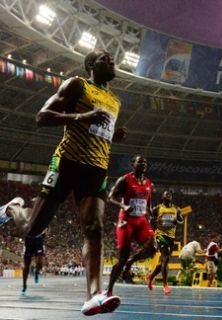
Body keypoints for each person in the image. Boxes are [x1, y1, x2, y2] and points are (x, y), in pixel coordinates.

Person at [1, 49, 126, 316]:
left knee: (95, 228)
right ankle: (12, 208)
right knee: (32, 229)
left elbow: (96, 131)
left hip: (96, 170)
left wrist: (112, 135)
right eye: (105, 58)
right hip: (67, 163)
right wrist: (80, 117)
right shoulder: (77, 85)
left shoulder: (115, 100)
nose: (112, 60)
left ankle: (93, 296)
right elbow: (42, 117)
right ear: (91, 65)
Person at [106, 155, 156, 296]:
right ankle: (109, 290)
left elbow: (149, 203)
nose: (143, 164)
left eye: (145, 162)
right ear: (133, 164)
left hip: (141, 220)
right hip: (126, 220)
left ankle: (130, 262)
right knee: (121, 258)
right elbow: (110, 197)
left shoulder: (149, 183)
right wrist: (123, 205)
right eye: (140, 161)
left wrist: (151, 215)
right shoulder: (125, 180)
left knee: (154, 247)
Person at [147, 190, 184, 294]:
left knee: (164, 261)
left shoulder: (176, 209)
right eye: (166, 194)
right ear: (162, 197)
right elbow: (151, 220)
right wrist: (153, 232)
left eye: (170, 195)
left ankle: (150, 277)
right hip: (160, 235)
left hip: (171, 237)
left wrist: (177, 219)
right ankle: (165, 285)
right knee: (165, 257)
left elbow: (181, 220)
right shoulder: (157, 209)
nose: (168, 196)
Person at [22, 228, 46, 296]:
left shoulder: (42, 218)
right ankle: (24, 285)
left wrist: (44, 232)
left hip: (38, 239)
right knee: (26, 266)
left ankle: (37, 271)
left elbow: (46, 227)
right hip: (29, 240)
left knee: (40, 263)